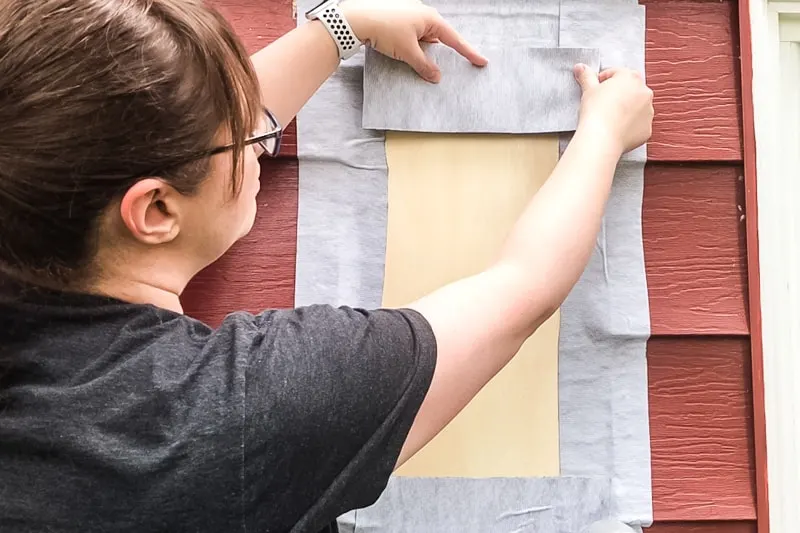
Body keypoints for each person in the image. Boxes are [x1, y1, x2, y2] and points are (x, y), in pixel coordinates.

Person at [0, 0, 653, 531]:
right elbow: (522, 288)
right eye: (243, 135)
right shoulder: (241, 408)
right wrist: (603, 131)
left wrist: (343, 27)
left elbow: (121, 133)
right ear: (156, 210)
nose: (258, 141)